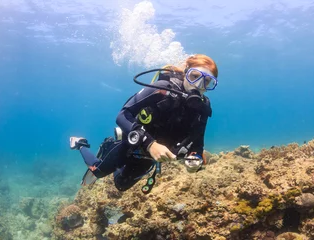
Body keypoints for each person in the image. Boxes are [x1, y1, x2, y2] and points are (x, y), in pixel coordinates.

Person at [69, 54, 218, 193]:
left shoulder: (203, 107)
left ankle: (114, 156)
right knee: (98, 171)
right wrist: (150, 144)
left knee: (121, 186)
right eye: (195, 76)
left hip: (151, 156)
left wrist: (195, 160)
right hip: (132, 143)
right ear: (186, 72)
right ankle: (81, 144)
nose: (199, 85)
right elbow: (123, 115)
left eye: (206, 81)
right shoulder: (162, 88)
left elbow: (198, 143)